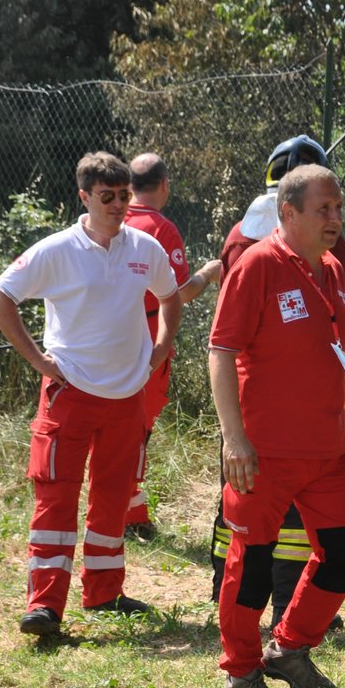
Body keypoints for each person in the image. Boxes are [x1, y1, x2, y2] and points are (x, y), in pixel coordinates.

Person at [209, 163, 345, 688]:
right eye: (322, 210)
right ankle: (240, 675)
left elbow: (335, 354)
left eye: (338, 208)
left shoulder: (331, 269)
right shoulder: (258, 265)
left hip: (330, 450)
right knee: (253, 566)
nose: (335, 219)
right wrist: (233, 439)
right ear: (288, 213)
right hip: (264, 453)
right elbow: (220, 351)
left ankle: (288, 649)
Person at [0, 151, 184, 637]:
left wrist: (161, 348)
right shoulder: (57, 249)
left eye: (122, 196)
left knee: (113, 498)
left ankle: (104, 593)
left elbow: (171, 295)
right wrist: (39, 360)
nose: (118, 206)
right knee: (56, 498)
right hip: (69, 392)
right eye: (106, 197)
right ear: (84, 197)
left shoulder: (143, 247)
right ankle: (45, 606)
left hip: (126, 396)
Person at [209, 134, 345, 629]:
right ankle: (284, 606)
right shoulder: (272, 247)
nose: (332, 218)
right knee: (277, 522)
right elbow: (226, 343)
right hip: (268, 415)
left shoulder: (239, 231)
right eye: (323, 205)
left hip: (262, 408)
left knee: (243, 519)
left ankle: (234, 593)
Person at [123, 152, 224, 541]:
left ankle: (118, 511)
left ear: (129, 186)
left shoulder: (107, 221)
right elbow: (178, 295)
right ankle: (128, 519)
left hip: (106, 343)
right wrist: (209, 272)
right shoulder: (160, 229)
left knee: (114, 431)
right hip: (147, 345)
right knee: (136, 434)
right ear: (164, 185)